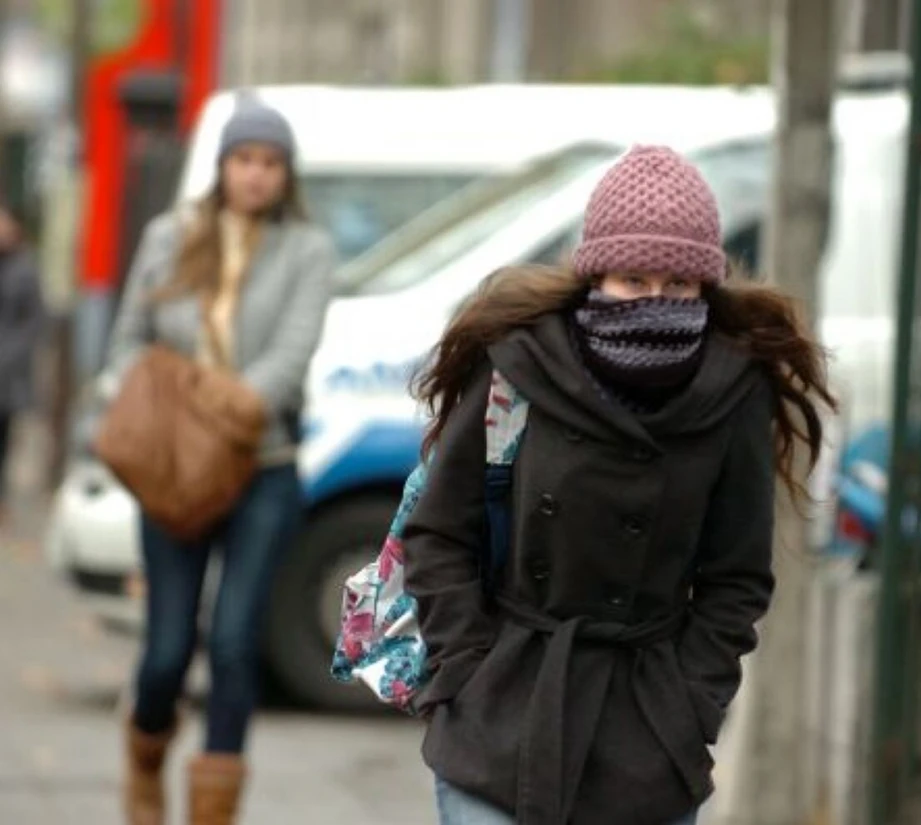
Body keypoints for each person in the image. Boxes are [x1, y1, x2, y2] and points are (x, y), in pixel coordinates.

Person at [402, 145, 836, 825]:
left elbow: (736, 579)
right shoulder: (520, 367)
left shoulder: (733, 393)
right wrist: (467, 668)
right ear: (595, 276)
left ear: (706, 286)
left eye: (678, 283)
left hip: (643, 741)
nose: (655, 300)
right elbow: (437, 533)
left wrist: (690, 706)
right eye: (634, 279)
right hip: (502, 721)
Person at [99, 96, 335, 825]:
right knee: (167, 649)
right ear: (223, 165)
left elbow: (287, 363)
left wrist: (201, 404)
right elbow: (128, 345)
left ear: (286, 174)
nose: (255, 174)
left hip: (263, 465)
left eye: (270, 162)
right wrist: (153, 407)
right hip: (173, 471)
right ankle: (145, 754)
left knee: (234, 642)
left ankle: (211, 812)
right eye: (243, 159)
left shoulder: (308, 249)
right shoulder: (169, 236)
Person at [0, 202, 44, 525]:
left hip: (8, 373)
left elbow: (35, 321)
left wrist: (10, 353)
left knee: (3, 439)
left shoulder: (25, 269)